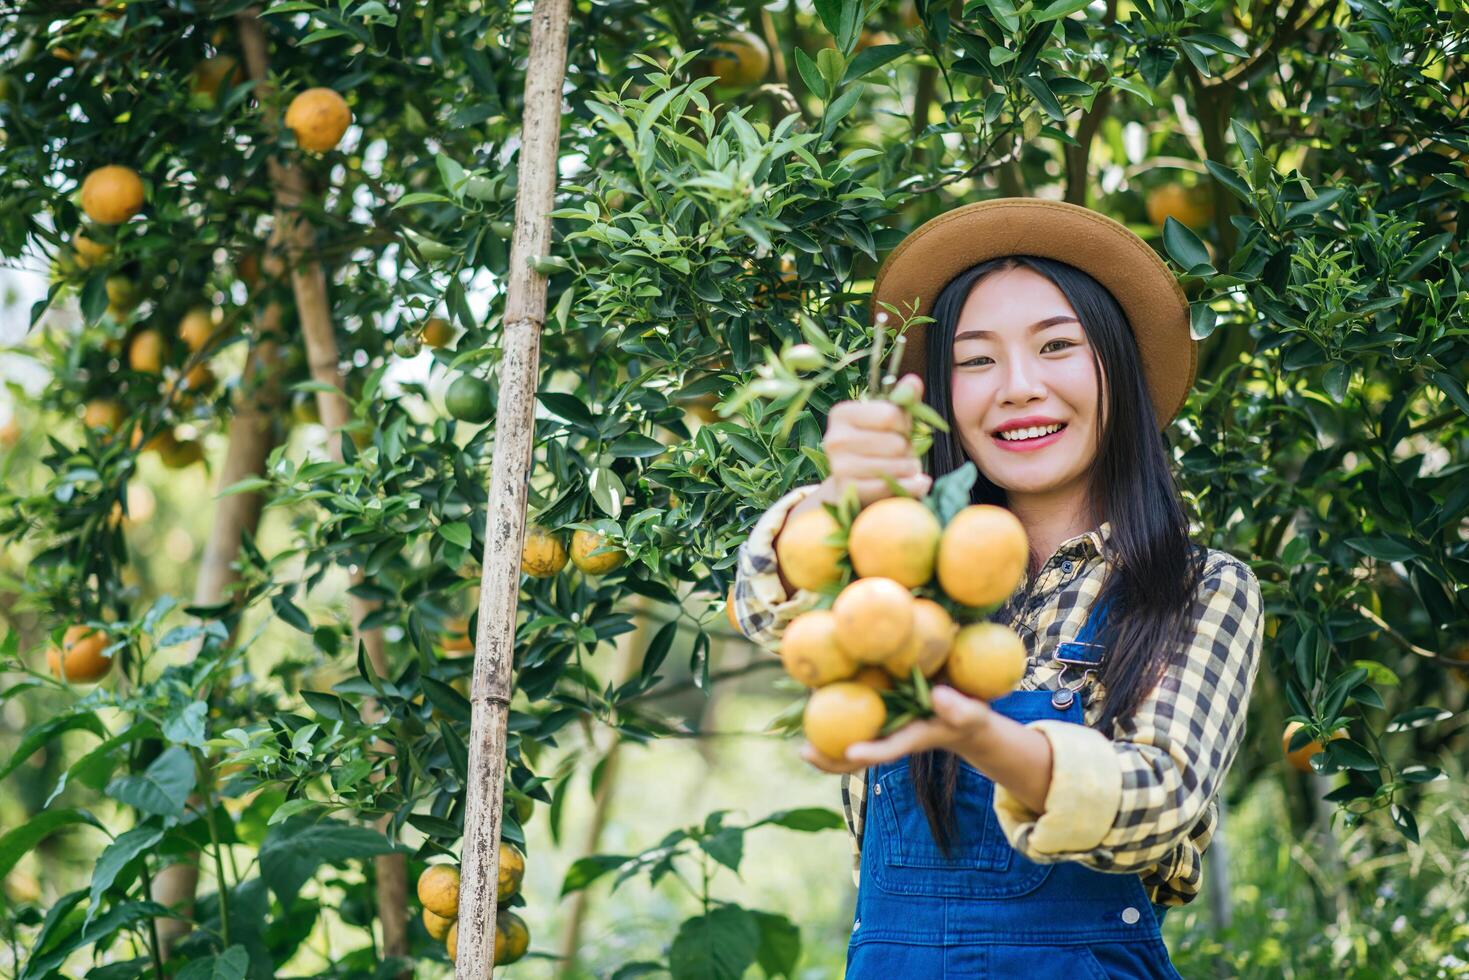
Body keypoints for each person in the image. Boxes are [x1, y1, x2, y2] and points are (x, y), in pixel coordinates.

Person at [732, 199, 1264, 978]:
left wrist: (975, 736)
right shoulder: (904, 571)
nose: (1017, 387)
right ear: (941, 397)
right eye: (975, 360)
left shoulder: (1197, 589)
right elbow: (765, 606)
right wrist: (840, 499)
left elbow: (1154, 804)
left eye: (1056, 347)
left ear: (1117, 369)